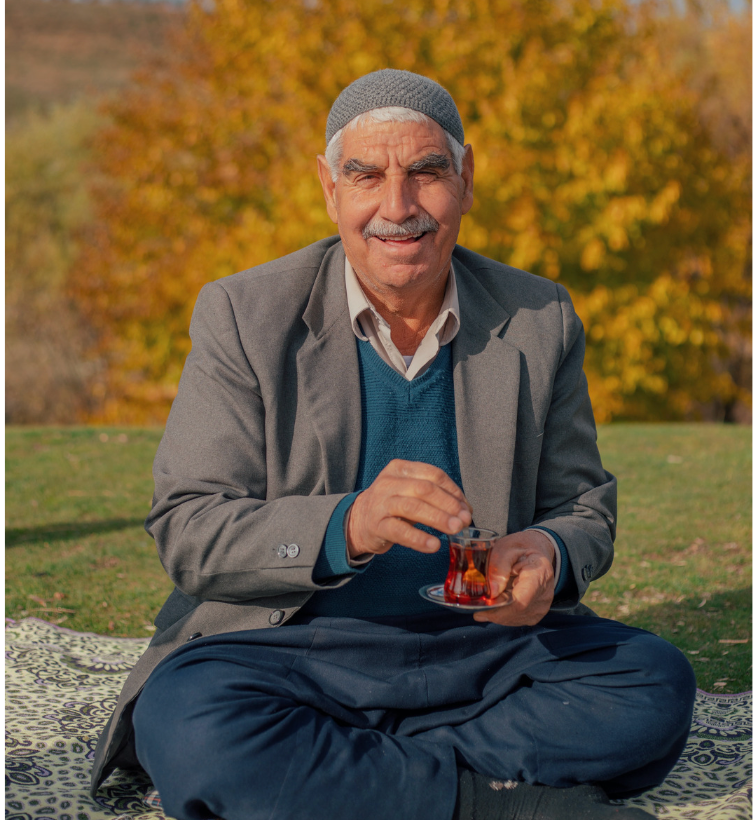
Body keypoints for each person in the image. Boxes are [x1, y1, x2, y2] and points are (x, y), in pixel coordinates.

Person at [90, 69, 696, 820]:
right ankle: (503, 804)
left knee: (652, 684)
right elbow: (189, 529)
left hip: (478, 648)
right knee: (187, 723)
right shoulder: (243, 314)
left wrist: (548, 551)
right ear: (328, 189)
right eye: (366, 175)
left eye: (426, 172)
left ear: (465, 181)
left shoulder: (538, 316)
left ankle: (355, 778)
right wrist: (346, 525)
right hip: (291, 648)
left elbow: (581, 504)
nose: (397, 207)